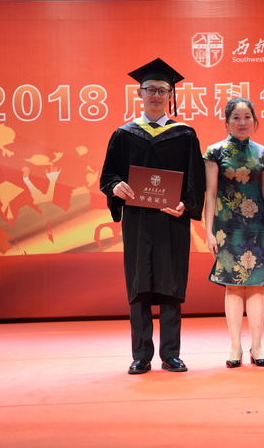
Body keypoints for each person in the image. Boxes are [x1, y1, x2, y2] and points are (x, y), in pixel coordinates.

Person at [100, 58, 206, 374]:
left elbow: (196, 180)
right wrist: (115, 186)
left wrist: (186, 204)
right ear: (139, 93)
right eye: (150, 89)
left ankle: (171, 354)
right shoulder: (124, 134)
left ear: (170, 95)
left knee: (171, 284)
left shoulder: (184, 135)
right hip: (138, 221)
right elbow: (108, 175)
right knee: (140, 284)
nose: (156, 95)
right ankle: (141, 355)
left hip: (172, 220)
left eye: (162, 90)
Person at [203, 97, 264, 368]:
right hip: (228, 229)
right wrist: (209, 232)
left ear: (254, 121)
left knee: (257, 287)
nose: (242, 122)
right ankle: (235, 347)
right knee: (233, 287)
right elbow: (210, 193)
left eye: (247, 117)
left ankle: (257, 347)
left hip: (259, 227)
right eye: (236, 117)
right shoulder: (214, 152)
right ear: (227, 122)